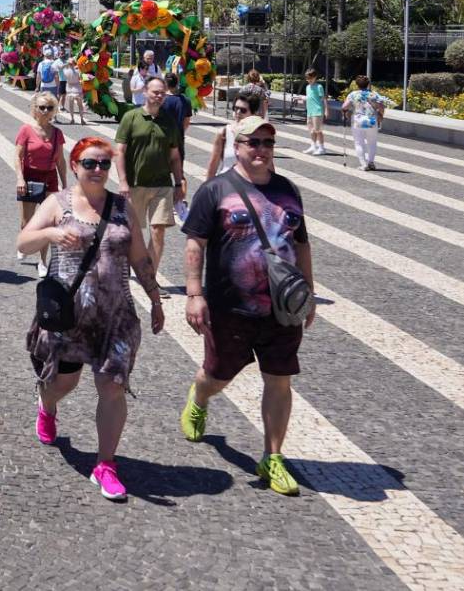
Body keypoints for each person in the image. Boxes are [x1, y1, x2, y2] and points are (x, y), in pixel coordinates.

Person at [17, 136, 164, 501]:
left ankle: (105, 464)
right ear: (75, 164)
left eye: (103, 164)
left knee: (112, 387)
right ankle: (47, 405)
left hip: (114, 314)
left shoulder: (122, 207)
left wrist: (156, 298)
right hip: (70, 315)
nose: (97, 170)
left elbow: (141, 257)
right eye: (89, 163)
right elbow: (23, 242)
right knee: (63, 384)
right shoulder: (58, 203)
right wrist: (50, 232)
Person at [180, 116, 314, 496]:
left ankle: (273, 457)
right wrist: (194, 294)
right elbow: (195, 244)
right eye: (252, 142)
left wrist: (310, 292)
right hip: (230, 307)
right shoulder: (216, 190)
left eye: (267, 143)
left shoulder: (288, 190)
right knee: (217, 376)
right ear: (236, 147)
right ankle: (200, 396)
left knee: (279, 380)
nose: (260, 149)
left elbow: (301, 243)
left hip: (282, 308)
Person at [113, 77, 185, 289]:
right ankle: (126, 267)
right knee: (131, 231)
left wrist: (179, 182)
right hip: (136, 184)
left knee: (158, 230)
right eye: (155, 92)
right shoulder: (131, 117)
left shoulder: (169, 120)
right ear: (145, 92)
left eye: (162, 93)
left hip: (162, 184)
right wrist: (123, 181)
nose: (159, 96)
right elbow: (120, 151)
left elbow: (174, 156)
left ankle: (149, 277)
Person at [15, 92, 69, 277]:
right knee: (27, 222)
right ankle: (25, 241)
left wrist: (65, 184)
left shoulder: (57, 133)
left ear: (54, 110)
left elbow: (61, 161)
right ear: (34, 109)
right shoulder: (26, 130)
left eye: (50, 108)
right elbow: (18, 156)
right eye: (42, 107)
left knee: (46, 223)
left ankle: (43, 261)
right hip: (30, 176)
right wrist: (20, 178)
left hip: (49, 177)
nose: (46, 111)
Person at [204, 90, 261, 179]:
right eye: (236, 108)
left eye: (243, 110)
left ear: (253, 113)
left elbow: (268, 168)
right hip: (227, 186)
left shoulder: (260, 135)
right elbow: (212, 167)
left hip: (251, 188)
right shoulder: (224, 132)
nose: (238, 112)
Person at [341, 74, 386, 171]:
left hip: (358, 121)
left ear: (357, 84)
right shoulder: (374, 94)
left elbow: (344, 107)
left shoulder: (353, 94)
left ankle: (363, 164)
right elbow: (381, 107)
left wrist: (346, 113)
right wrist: (381, 116)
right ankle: (371, 162)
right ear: (368, 84)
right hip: (372, 120)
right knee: (372, 143)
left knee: (359, 143)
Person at [159, 71, 194, 152]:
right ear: (177, 83)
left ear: (166, 84)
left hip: (163, 136)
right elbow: (187, 121)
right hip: (178, 137)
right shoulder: (186, 100)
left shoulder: (161, 99)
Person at [303, 69, 326, 155]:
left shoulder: (319, 86)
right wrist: (303, 99)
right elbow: (309, 97)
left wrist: (326, 110)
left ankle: (322, 148)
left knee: (318, 130)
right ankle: (313, 146)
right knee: (311, 130)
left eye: (310, 78)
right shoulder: (307, 87)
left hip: (317, 110)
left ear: (315, 77)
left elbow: (323, 99)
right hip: (310, 110)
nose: (308, 80)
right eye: (307, 78)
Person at [60, 50, 87, 125]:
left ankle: (72, 119)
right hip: (77, 88)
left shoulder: (66, 71)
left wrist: (66, 64)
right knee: (80, 105)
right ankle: (82, 119)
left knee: (71, 105)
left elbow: (60, 68)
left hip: (69, 88)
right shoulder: (78, 71)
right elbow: (81, 78)